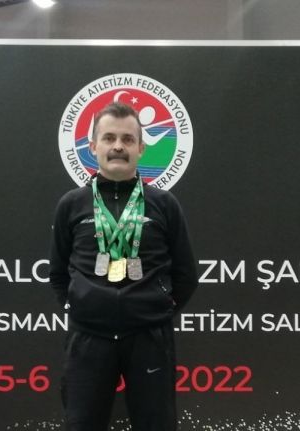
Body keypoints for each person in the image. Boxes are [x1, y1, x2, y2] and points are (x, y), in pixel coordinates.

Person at [49, 102, 198, 431]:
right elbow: (58, 273)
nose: (118, 146)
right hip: (89, 336)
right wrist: (82, 306)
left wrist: (153, 308)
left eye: (128, 139)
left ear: (141, 148)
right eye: (109, 138)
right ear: (93, 146)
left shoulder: (164, 204)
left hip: (148, 338)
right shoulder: (71, 204)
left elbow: (186, 274)